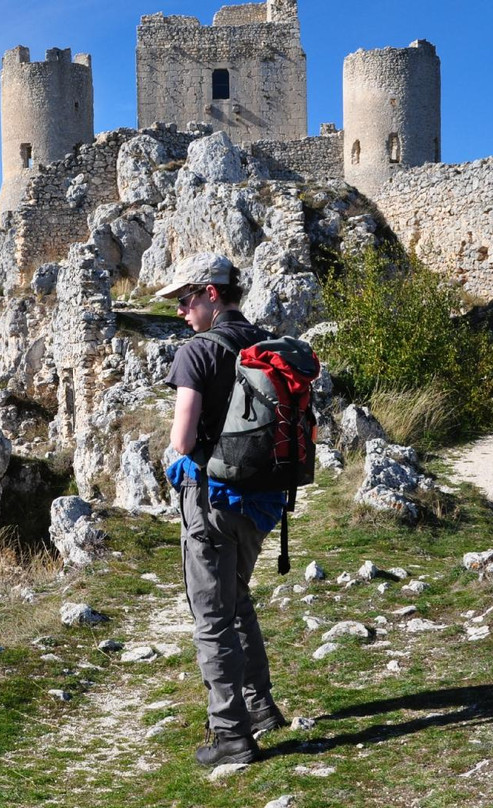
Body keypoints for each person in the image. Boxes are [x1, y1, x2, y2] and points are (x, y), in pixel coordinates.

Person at [158, 252, 288, 766]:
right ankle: (261, 709)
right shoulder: (266, 345)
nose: (181, 312)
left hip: (211, 503)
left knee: (212, 617)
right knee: (237, 602)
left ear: (212, 294)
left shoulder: (198, 352)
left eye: (186, 300)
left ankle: (231, 735)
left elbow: (182, 437)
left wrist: (179, 459)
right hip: (262, 504)